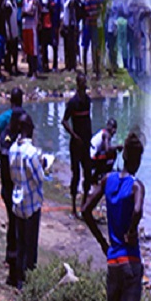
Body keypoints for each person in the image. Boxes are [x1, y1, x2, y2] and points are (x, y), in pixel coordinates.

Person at [82, 132, 146, 301]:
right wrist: (131, 231)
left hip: (113, 260)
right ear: (137, 159)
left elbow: (85, 210)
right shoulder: (136, 186)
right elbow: (137, 210)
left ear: (124, 156)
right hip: (131, 261)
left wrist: (102, 242)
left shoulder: (108, 180)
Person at [0, 87, 25, 281]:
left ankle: (10, 257)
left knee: (11, 217)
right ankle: (17, 260)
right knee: (19, 221)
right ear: (22, 100)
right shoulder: (26, 120)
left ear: (10, 100)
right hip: (20, 178)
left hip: (7, 175)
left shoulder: (3, 119)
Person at [9, 112, 44, 289]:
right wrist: (43, 164)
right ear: (28, 129)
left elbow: (13, 175)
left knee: (21, 244)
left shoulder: (13, 149)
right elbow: (40, 177)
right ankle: (29, 285)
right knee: (31, 248)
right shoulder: (31, 152)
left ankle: (19, 280)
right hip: (32, 203)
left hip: (18, 201)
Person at [61, 72, 92, 216]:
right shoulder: (73, 103)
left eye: (85, 82)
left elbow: (88, 120)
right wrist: (74, 135)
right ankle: (73, 207)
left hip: (86, 143)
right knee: (76, 175)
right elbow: (64, 121)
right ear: (78, 84)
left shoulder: (88, 101)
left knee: (88, 173)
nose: (84, 85)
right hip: (76, 144)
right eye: (82, 82)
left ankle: (84, 205)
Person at [89, 117, 121, 182]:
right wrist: (117, 147)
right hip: (91, 159)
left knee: (110, 153)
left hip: (89, 157)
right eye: (113, 128)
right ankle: (103, 174)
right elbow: (107, 150)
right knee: (112, 154)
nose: (114, 131)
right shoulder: (106, 134)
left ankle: (98, 173)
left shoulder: (103, 132)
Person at [20, 0, 39, 78]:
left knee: (33, 51)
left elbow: (32, 13)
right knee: (27, 51)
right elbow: (22, 11)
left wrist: (25, 13)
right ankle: (30, 71)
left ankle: (35, 71)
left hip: (32, 27)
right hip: (25, 27)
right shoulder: (25, 0)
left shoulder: (35, 0)